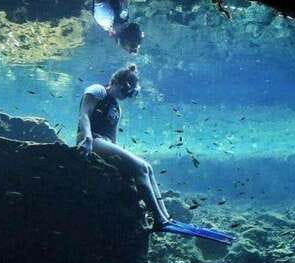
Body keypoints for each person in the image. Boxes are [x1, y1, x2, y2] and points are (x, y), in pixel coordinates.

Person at [76, 64, 235, 244]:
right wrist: (88, 139)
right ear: (115, 82)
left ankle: (165, 216)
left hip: (104, 143)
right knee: (141, 167)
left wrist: (121, 162)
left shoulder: (116, 108)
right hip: (93, 140)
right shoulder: (98, 90)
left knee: (148, 168)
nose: (125, 96)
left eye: (129, 93)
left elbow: (113, 139)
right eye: (124, 90)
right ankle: (159, 220)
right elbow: (84, 114)